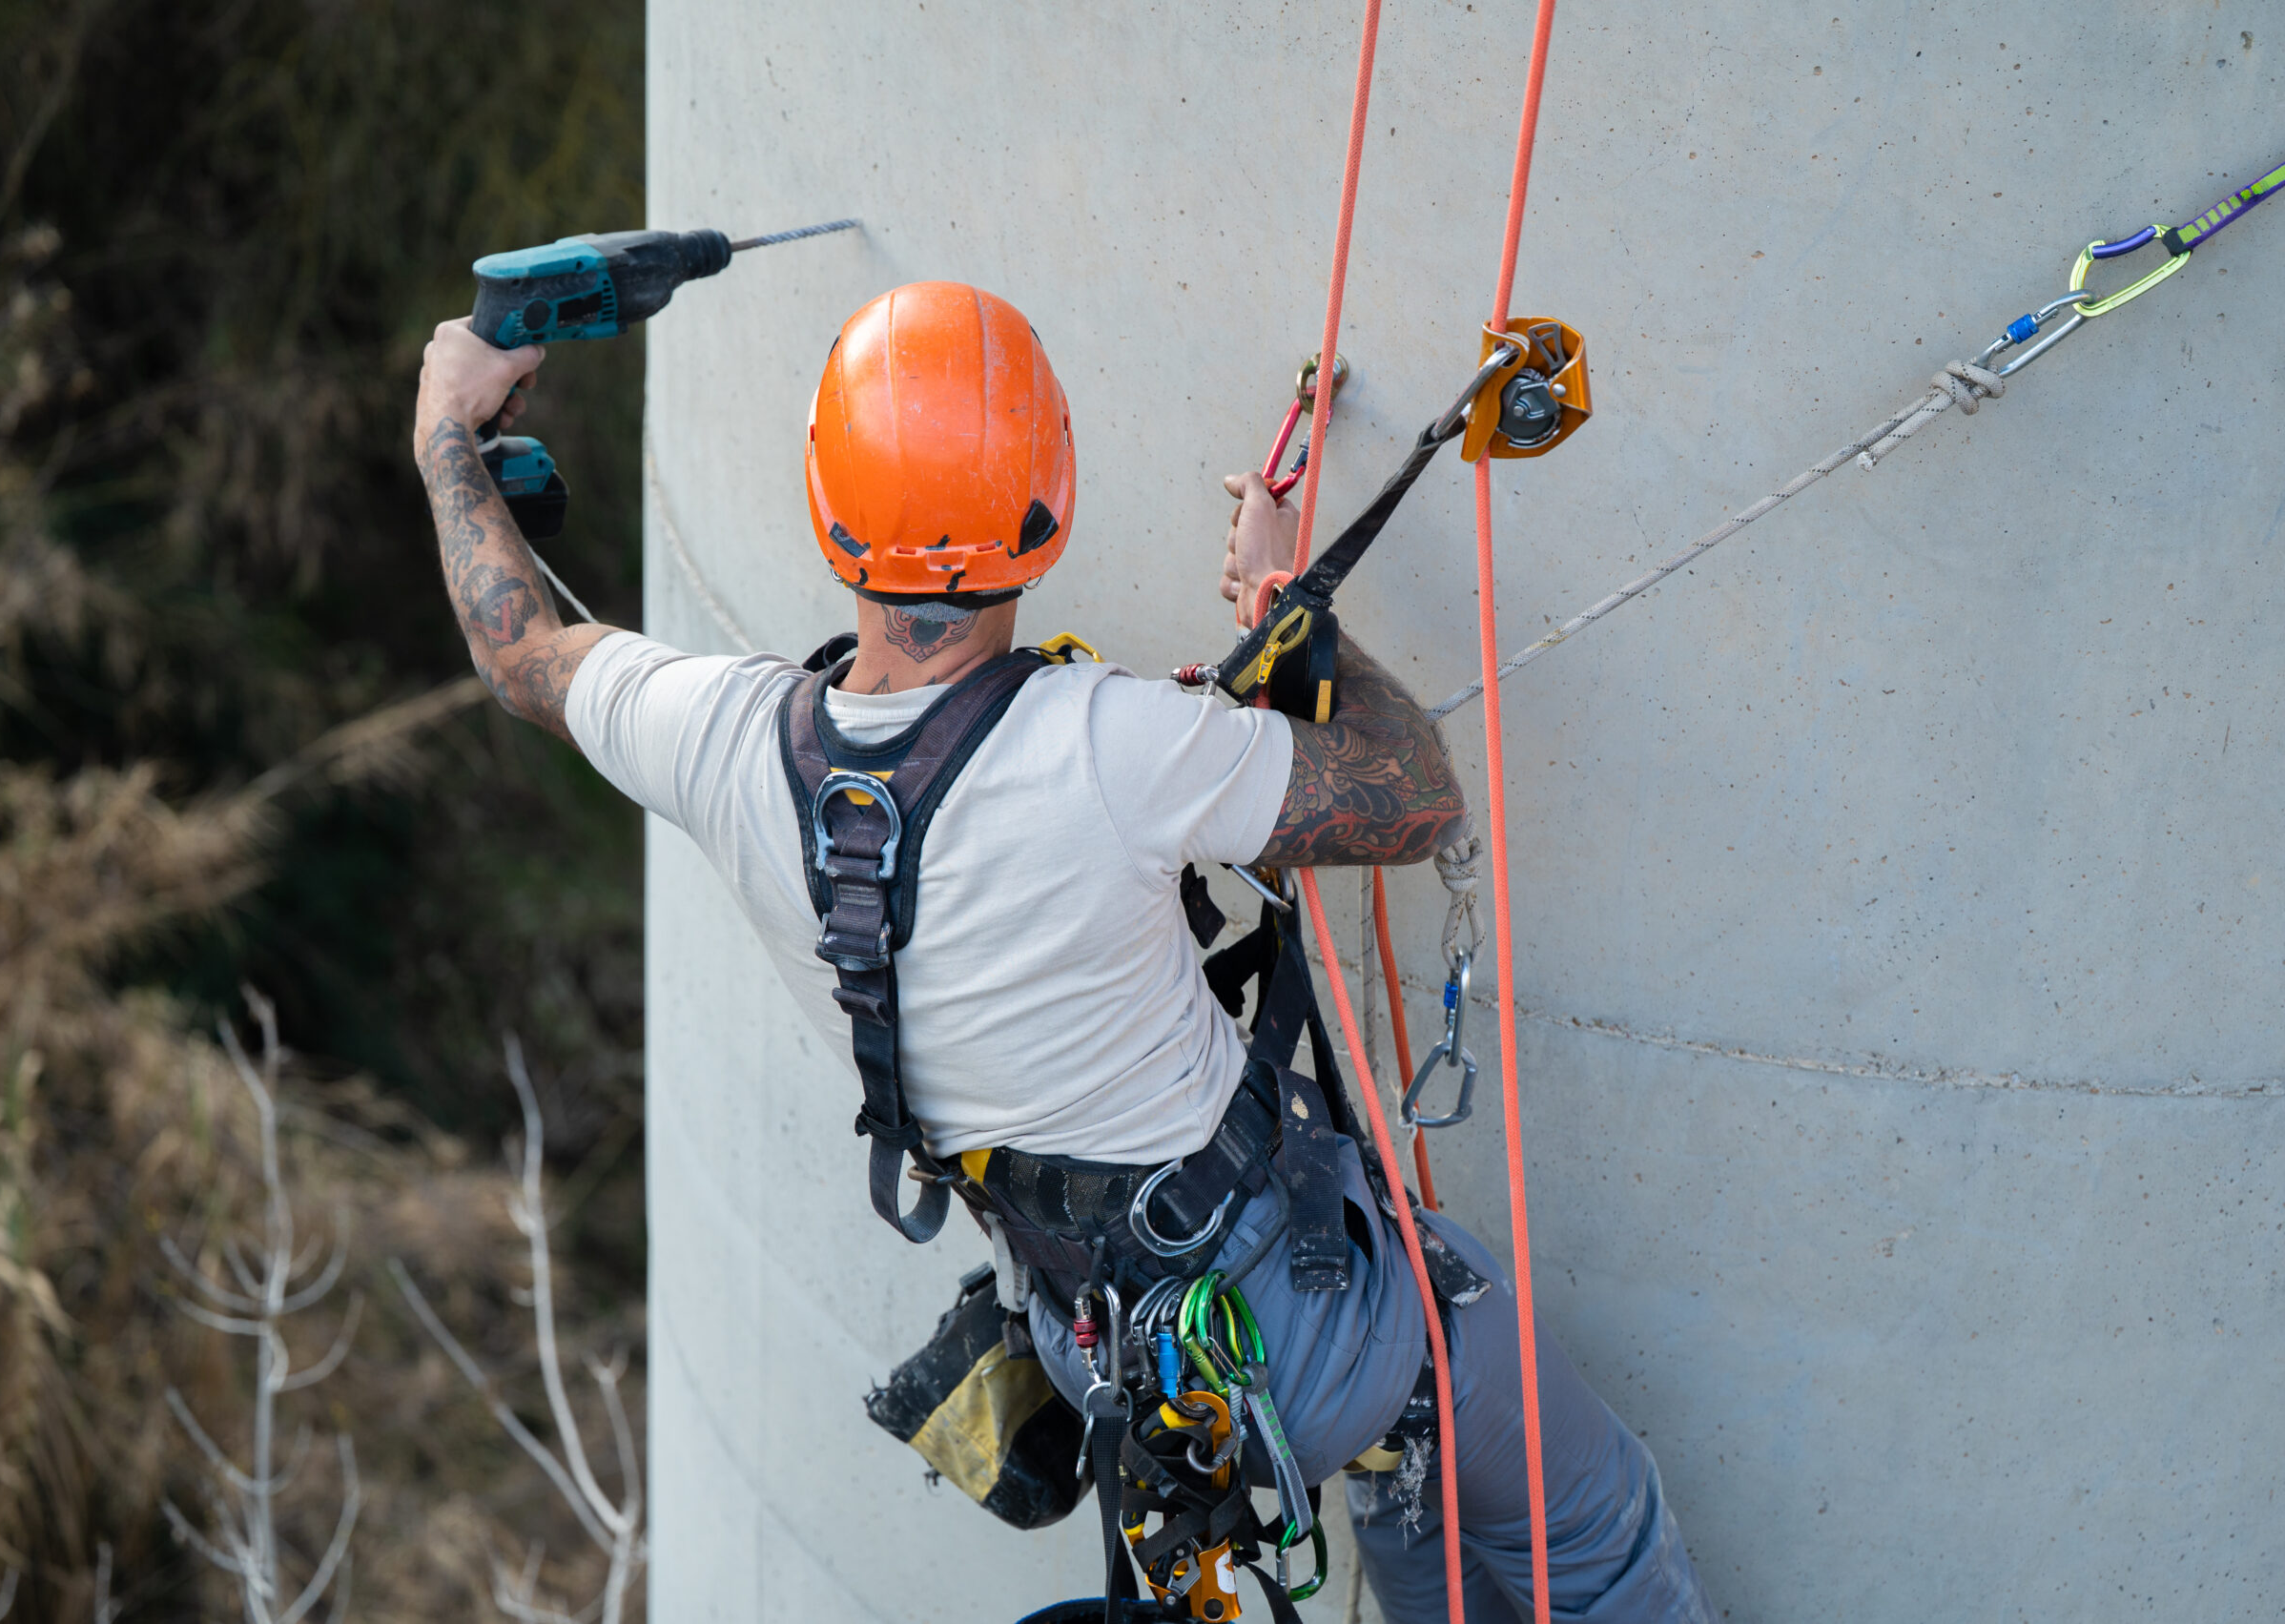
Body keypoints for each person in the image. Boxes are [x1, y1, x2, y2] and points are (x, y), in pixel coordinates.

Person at [412, 280, 1710, 1622]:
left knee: (1425, 1495)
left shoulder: (721, 740)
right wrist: (1284, 593)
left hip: (1102, 1352)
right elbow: (1408, 791)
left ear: (827, 508)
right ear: (1050, 500)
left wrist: (447, 434)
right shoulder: (1114, 743)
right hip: (1301, 1327)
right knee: (1586, 1529)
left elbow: (524, 653)